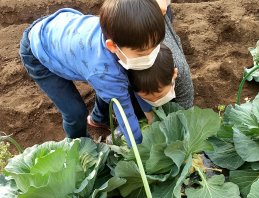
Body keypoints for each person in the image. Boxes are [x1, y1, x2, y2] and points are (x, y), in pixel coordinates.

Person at [19, 0, 165, 147]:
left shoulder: (125, 35)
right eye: (142, 53)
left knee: (114, 85)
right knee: (75, 113)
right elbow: (124, 113)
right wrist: (140, 147)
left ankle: (98, 118)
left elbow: (136, 81)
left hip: (64, 31)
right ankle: (79, 145)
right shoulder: (103, 71)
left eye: (154, 47)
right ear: (113, 46)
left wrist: (150, 116)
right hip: (39, 50)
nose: (149, 56)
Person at [128, 44, 178, 125]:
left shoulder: (180, 71)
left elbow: (186, 106)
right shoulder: (129, 75)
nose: (155, 101)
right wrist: (150, 117)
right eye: (148, 98)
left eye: (159, 96)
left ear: (174, 74)